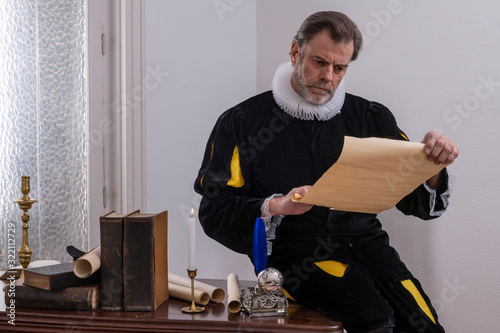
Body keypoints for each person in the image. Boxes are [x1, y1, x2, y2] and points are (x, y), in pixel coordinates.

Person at [194, 11, 458, 333]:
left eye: (339, 68)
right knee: (375, 320)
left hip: (370, 247)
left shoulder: (370, 116)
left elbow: (414, 199)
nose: (328, 76)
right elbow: (214, 208)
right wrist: (275, 206)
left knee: (425, 327)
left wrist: (433, 166)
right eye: (319, 62)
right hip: (297, 258)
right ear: (295, 53)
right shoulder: (242, 122)